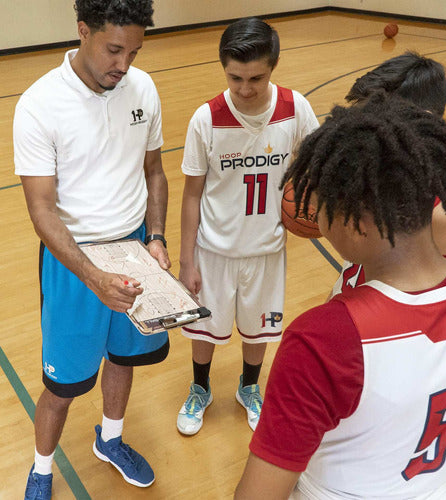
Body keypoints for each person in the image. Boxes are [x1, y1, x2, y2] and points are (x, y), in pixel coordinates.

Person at [235, 94, 446, 499]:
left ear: (357, 224)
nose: (315, 218)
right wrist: (438, 478)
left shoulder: (323, 340)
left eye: (321, 205)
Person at [14, 1, 170, 498]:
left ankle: (112, 438)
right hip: (73, 265)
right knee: (62, 387)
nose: (124, 65)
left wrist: (158, 238)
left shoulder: (142, 87)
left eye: (134, 51)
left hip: (135, 251)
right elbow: (41, 210)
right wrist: (91, 275)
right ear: (82, 31)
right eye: (114, 49)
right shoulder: (39, 104)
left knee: (123, 358)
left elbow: (155, 172)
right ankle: (41, 469)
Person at [176, 17, 319, 436]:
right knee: (204, 327)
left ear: (273, 66)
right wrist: (187, 261)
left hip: (266, 248)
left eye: (256, 77)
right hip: (214, 249)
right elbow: (191, 194)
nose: (244, 88)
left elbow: (317, 167)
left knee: (260, 329)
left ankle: (249, 387)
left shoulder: (296, 109)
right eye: (235, 77)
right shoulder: (207, 118)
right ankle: (200, 388)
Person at [331, 52, 446, 297]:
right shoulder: (378, 164)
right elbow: (352, 270)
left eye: (379, 115)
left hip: (380, 329)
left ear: (422, 119)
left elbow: (428, 301)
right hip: (349, 301)